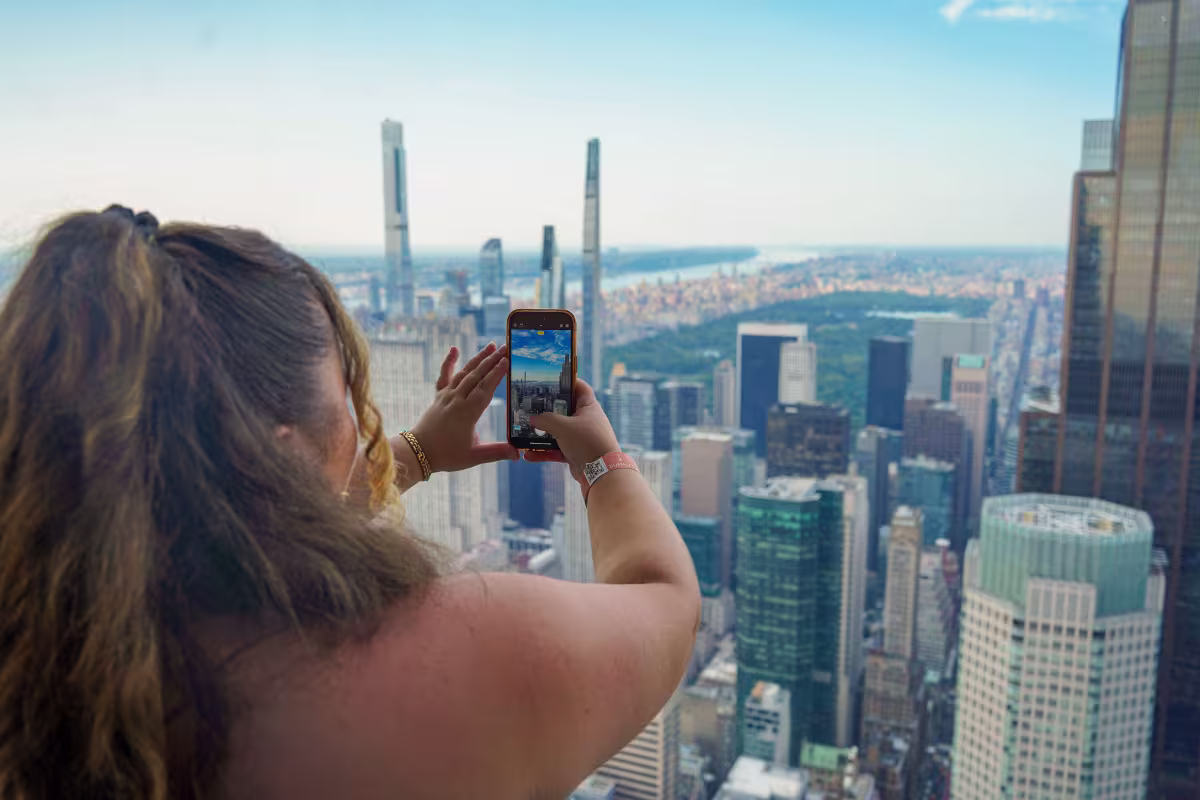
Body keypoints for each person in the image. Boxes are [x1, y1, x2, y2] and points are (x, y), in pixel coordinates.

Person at [0, 207, 700, 800]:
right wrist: (600, 461)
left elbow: (232, 518)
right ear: (275, 459)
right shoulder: (472, 658)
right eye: (344, 395)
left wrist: (417, 452)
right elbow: (665, 602)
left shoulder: (44, 667)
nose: (356, 419)